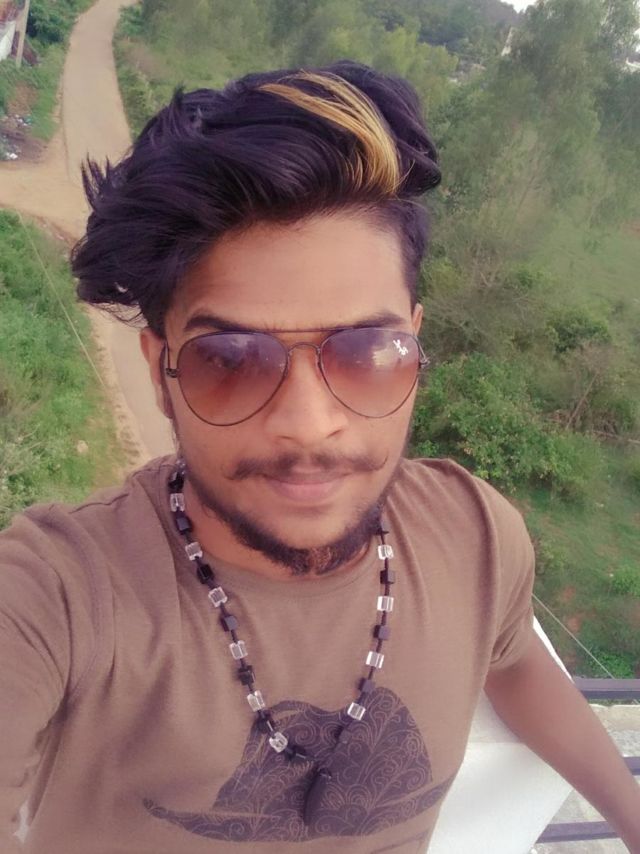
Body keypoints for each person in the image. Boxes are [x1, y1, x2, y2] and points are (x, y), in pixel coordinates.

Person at [0, 61, 638, 854]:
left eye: (367, 351)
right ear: (161, 371)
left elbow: (513, 662)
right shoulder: (57, 594)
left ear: (415, 341)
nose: (309, 426)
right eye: (229, 360)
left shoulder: (476, 536)